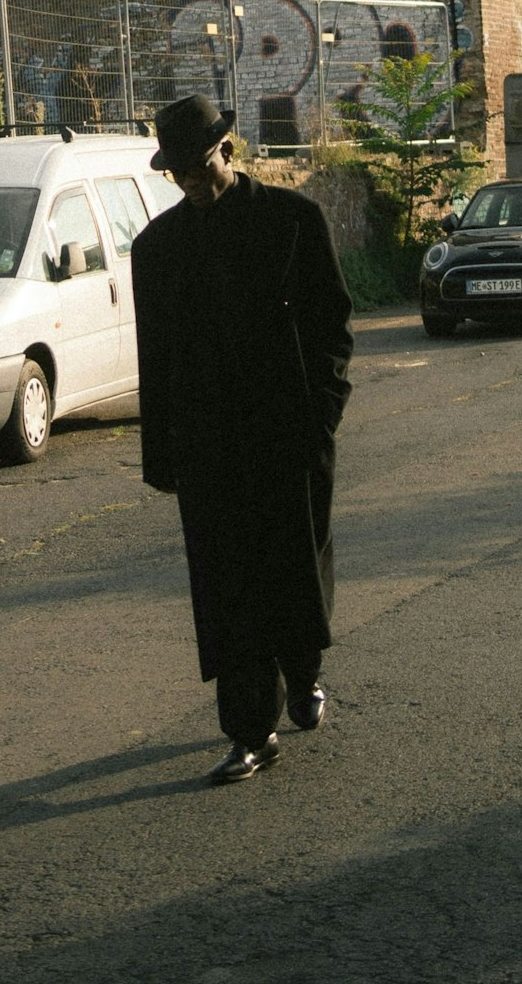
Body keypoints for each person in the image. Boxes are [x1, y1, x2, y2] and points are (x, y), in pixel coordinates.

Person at [130, 93, 355, 783]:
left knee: (293, 570)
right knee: (227, 588)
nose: (193, 183)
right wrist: (163, 455)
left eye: (201, 167)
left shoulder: (292, 221)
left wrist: (320, 418)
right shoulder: (158, 250)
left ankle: (304, 672)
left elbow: (332, 328)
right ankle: (250, 729)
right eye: (179, 173)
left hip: (287, 436)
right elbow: (155, 360)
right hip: (209, 447)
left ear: (229, 151)